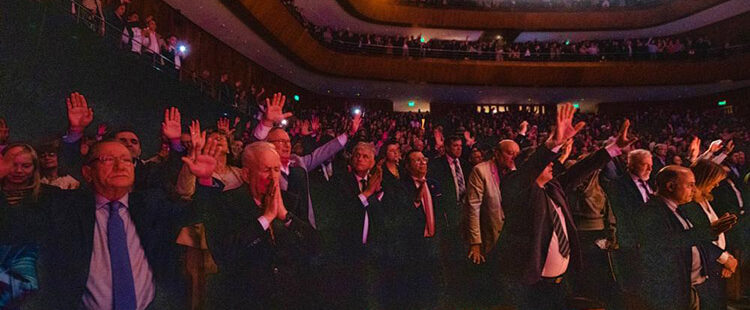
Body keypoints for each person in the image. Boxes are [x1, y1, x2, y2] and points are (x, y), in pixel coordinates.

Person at [0, 135, 219, 309]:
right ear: (88, 172)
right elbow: (12, 230)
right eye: (108, 160)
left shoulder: (150, 204)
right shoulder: (65, 206)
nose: (120, 165)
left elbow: (198, 215)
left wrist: (206, 180)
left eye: (126, 160)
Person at [497, 104, 634, 310]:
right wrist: (551, 146)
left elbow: (580, 170)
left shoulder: (552, 187)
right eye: (547, 162)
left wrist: (612, 149)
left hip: (560, 282)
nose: (553, 163)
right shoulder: (517, 190)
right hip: (531, 287)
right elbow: (525, 175)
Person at [201, 141, 317, 309]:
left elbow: (314, 248)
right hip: (246, 299)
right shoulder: (226, 203)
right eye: (266, 170)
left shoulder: (290, 201)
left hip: (289, 299)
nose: (273, 176)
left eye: (276, 169)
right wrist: (265, 219)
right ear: (247, 175)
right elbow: (224, 254)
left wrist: (285, 216)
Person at [636, 165, 737, 310]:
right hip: (672, 291)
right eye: (690, 185)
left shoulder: (676, 209)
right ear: (671, 186)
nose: (695, 190)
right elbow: (668, 243)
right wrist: (709, 231)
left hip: (688, 287)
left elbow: (692, 241)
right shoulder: (652, 212)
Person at [680, 160, 739, 310]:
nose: (717, 185)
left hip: (716, 264)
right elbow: (697, 238)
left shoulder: (705, 199)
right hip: (705, 267)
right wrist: (724, 258)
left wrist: (726, 257)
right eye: (715, 180)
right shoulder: (689, 204)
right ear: (705, 178)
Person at [0, 144, 48, 308]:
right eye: (13, 164)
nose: (18, 171)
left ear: (34, 168)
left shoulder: (47, 197)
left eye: (25, 166)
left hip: (28, 272)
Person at [605, 148, 653, 305]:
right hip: (633, 242)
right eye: (645, 165)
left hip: (649, 241)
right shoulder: (618, 185)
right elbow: (624, 215)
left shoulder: (649, 183)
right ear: (632, 165)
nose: (650, 169)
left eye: (650, 165)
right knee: (634, 286)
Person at [465, 139, 520, 264]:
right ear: (497, 153)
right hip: (490, 236)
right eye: (510, 153)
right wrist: (475, 243)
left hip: (511, 239)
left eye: (517, 154)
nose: (514, 157)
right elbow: (473, 208)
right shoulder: (481, 171)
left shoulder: (516, 173)